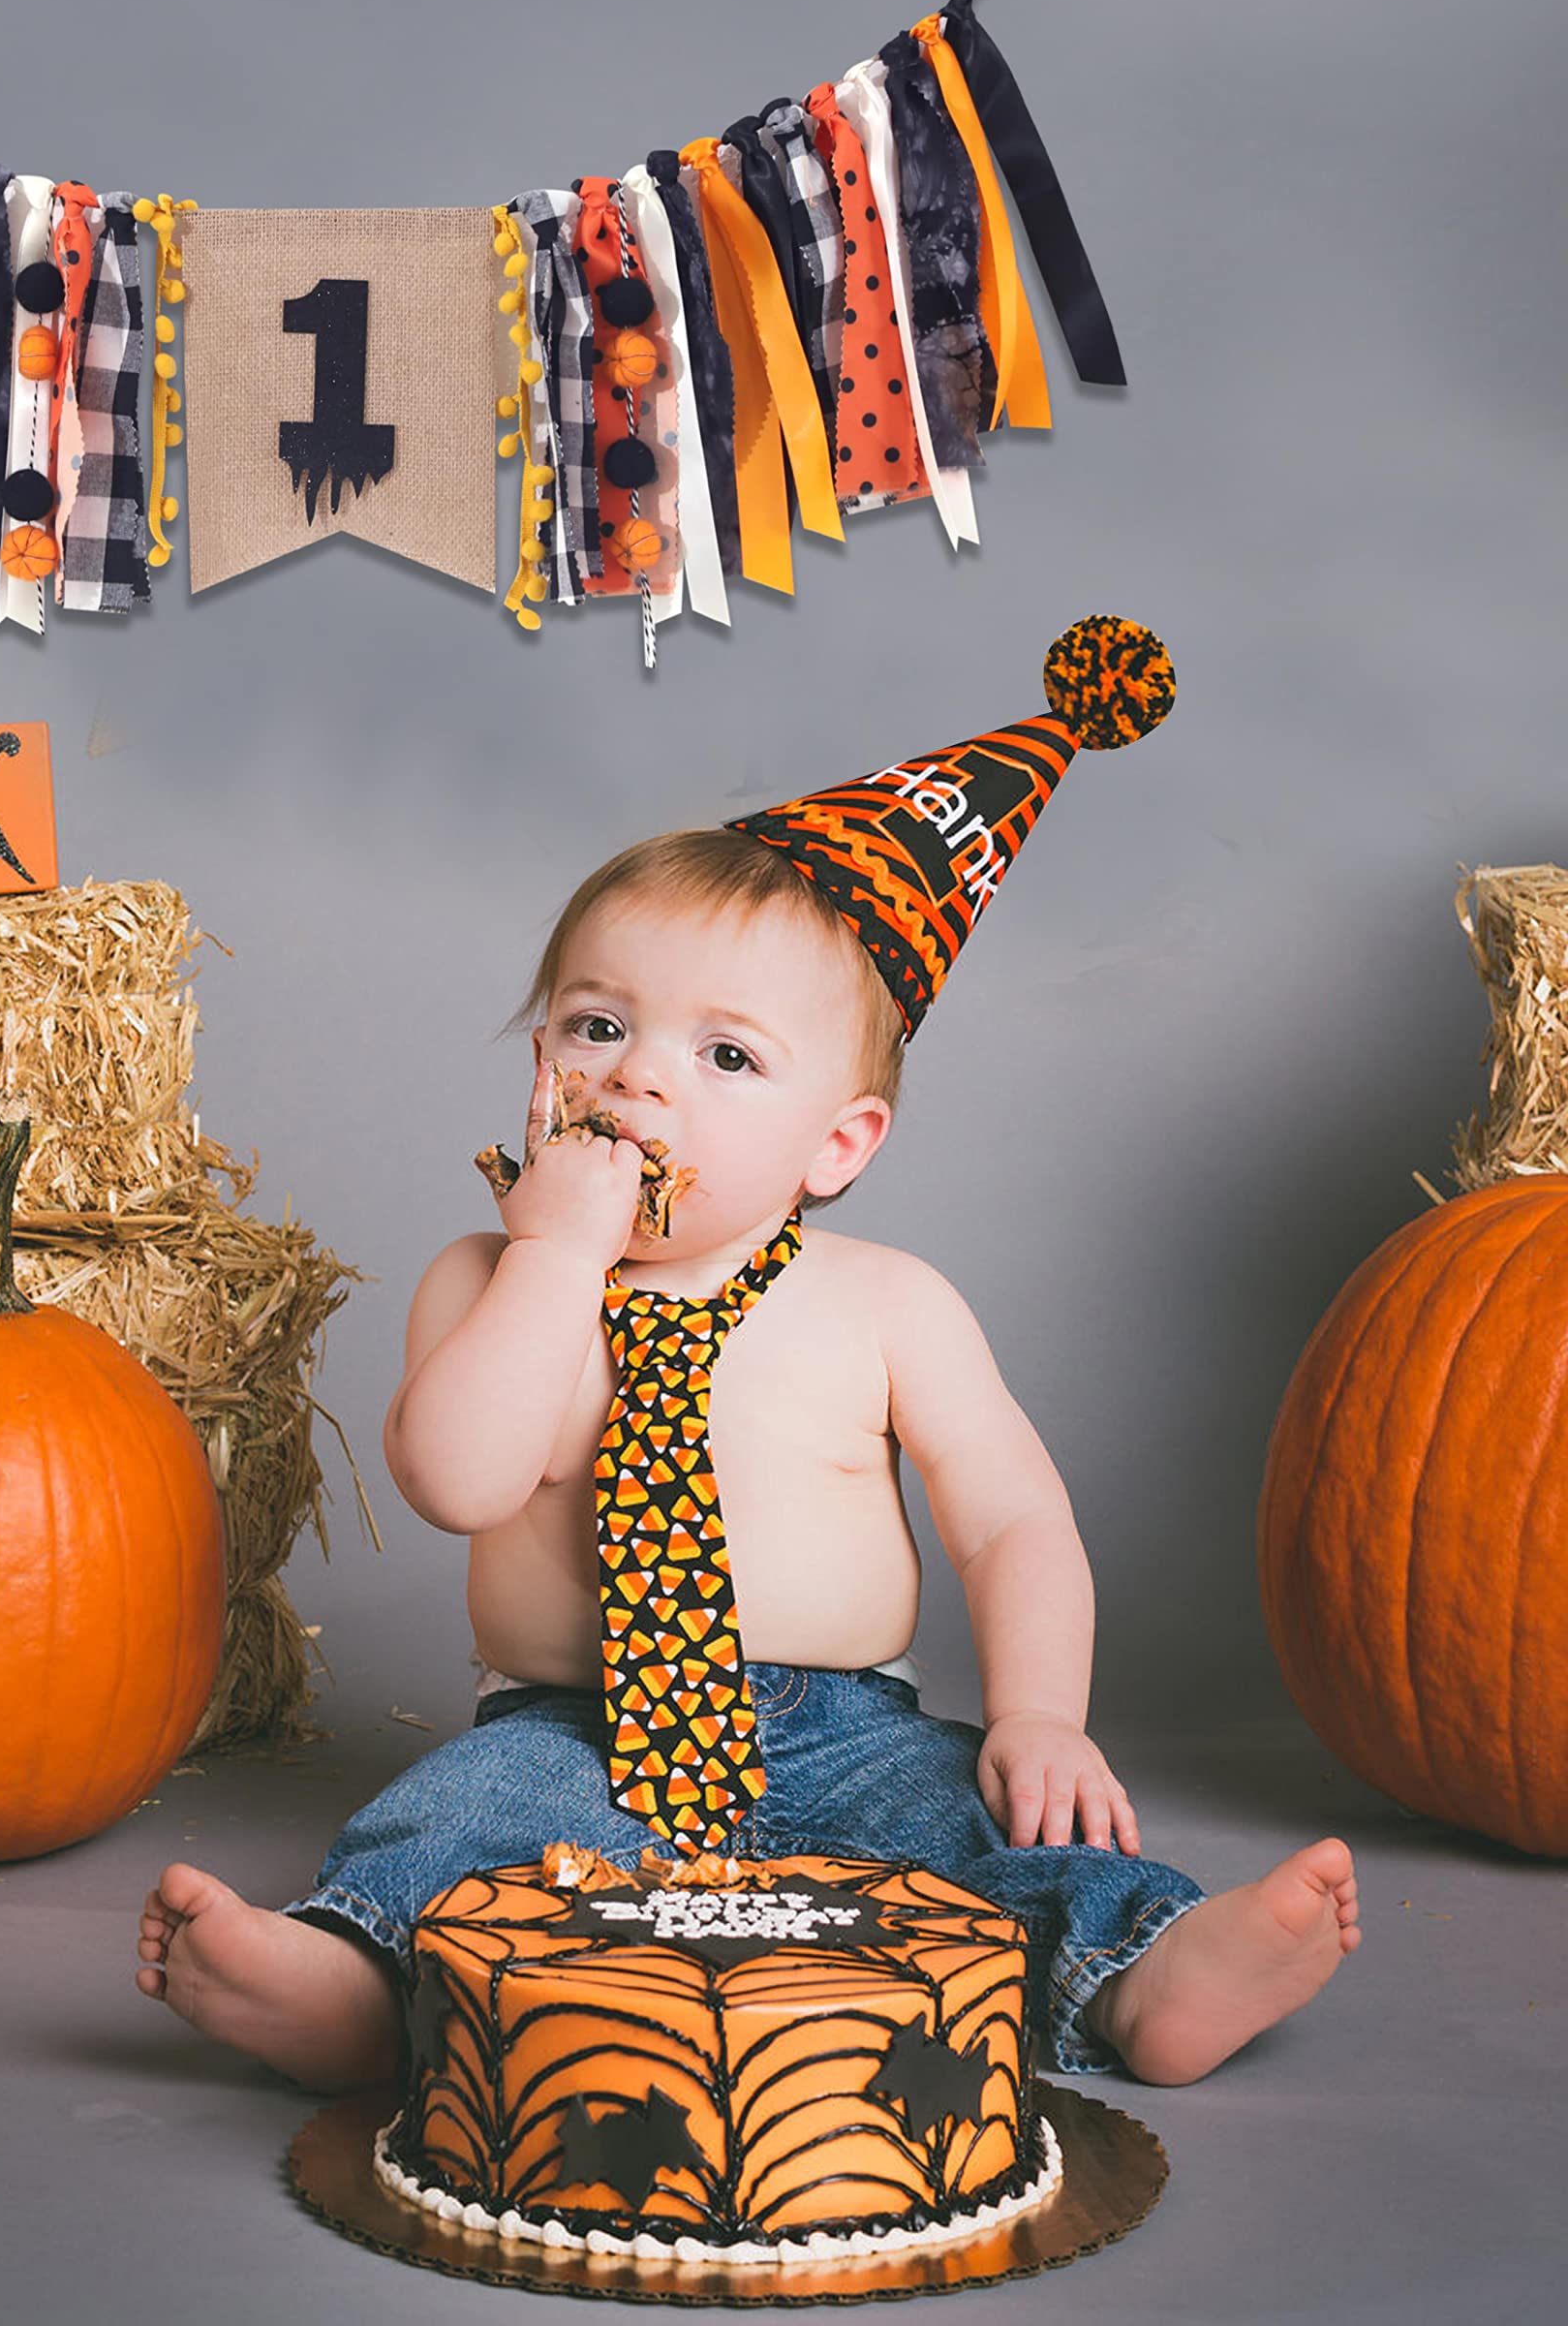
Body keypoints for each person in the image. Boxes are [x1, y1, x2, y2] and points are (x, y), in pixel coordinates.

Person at [137, 625, 1360, 2093]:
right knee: (446, 1831)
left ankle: (1140, 1974)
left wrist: (1039, 1715)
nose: (640, 1076)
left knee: (975, 1848)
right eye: (598, 1025)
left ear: (836, 1143)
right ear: (541, 1062)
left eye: (726, 1058)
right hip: (571, 1730)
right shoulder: (492, 1277)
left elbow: (1015, 1519)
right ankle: (357, 1989)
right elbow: (457, 1480)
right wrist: (555, 1254)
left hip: (843, 1729)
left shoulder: (887, 1301)